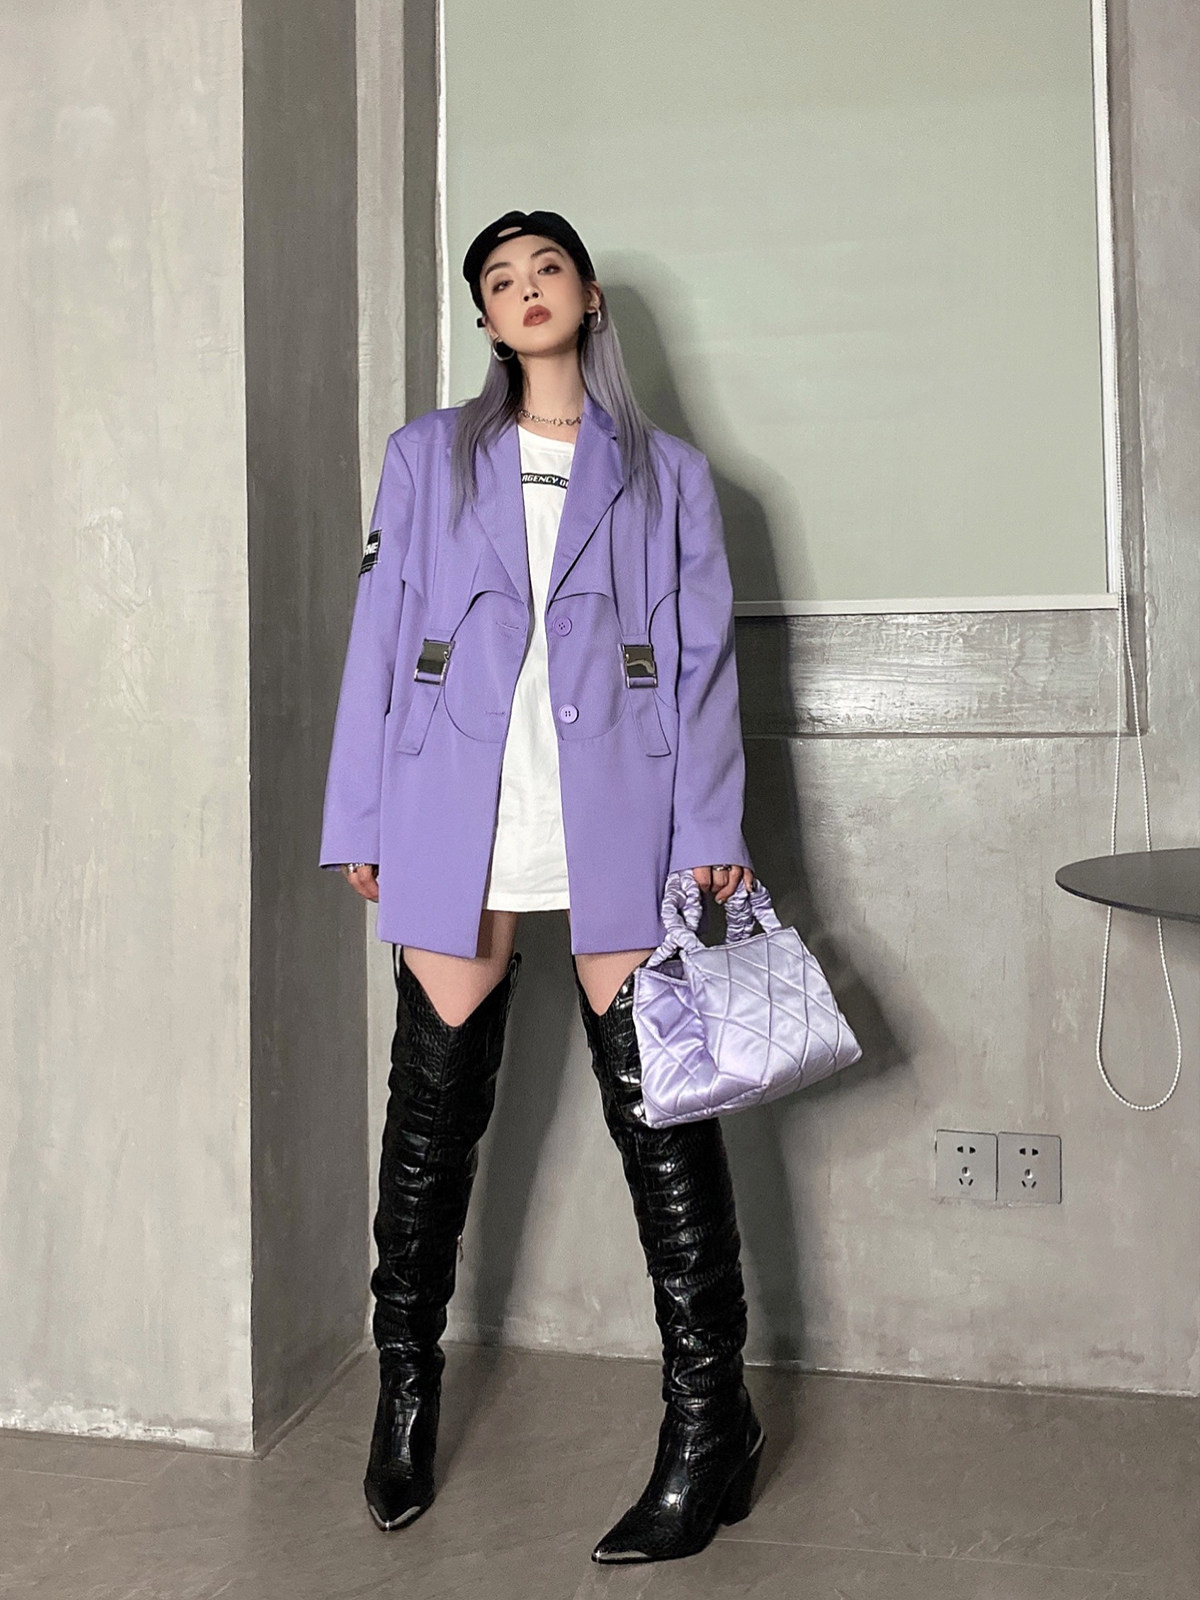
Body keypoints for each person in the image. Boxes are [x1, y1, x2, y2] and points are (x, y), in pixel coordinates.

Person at [319, 208, 763, 1564]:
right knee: (430, 1116)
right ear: (485, 319)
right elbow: (382, 633)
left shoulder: (669, 474)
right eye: (500, 280)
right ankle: (407, 1394)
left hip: (619, 800)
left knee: (660, 1110)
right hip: (458, 801)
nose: (526, 291)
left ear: (587, 297)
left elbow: (702, 659)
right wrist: (360, 812)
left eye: (546, 270)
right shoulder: (428, 455)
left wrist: (711, 822)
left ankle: (711, 1425)